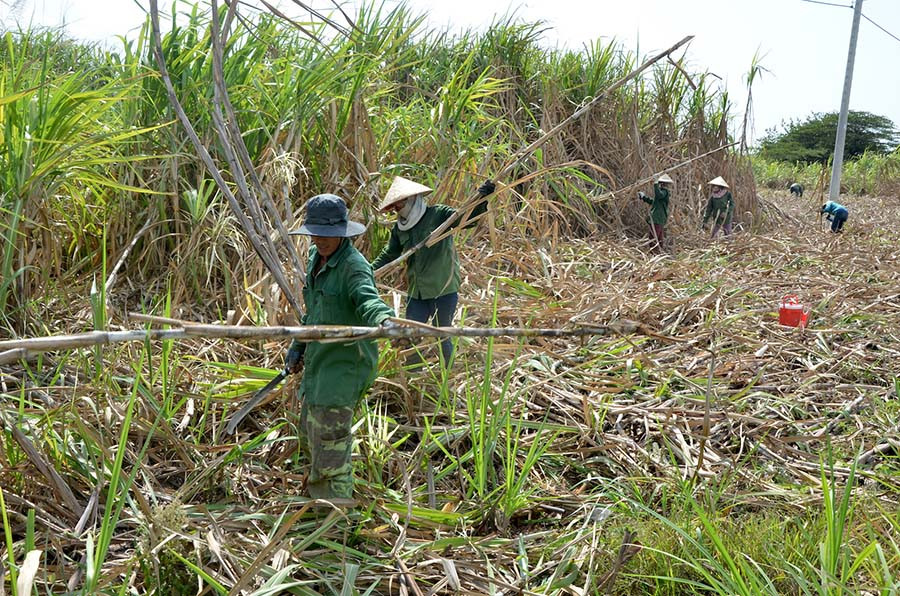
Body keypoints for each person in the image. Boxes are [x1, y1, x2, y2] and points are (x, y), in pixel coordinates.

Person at [284, 194, 397, 501]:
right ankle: (316, 497)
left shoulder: (353, 267)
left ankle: (334, 527)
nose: (321, 239)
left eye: (329, 234)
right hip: (319, 364)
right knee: (310, 435)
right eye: (316, 232)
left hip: (344, 368)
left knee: (330, 451)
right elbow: (315, 313)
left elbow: (367, 299)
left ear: (343, 233)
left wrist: (385, 320)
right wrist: (298, 346)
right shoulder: (315, 258)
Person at [371, 176, 495, 364]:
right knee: (411, 337)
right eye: (394, 206)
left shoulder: (438, 215)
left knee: (441, 333)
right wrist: (368, 272)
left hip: (442, 288)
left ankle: (448, 375)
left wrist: (480, 200)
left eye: (399, 204)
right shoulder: (399, 228)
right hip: (417, 292)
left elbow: (466, 220)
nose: (396, 209)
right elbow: (389, 254)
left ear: (412, 198)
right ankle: (413, 377)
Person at [636, 173, 673, 250]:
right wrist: (644, 197)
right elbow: (654, 202)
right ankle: (657, 253)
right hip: (658, 219)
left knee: (654, 237)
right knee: (658, 238)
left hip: (658, 218)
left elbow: (658, 195)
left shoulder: (665, 192)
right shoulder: (662, 194)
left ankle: (654, 253)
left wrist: (655, 184)